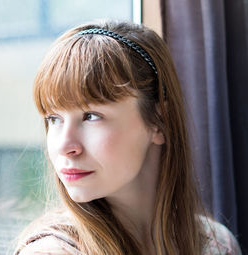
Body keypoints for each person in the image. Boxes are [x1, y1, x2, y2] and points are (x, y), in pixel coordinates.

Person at [13, 20, 242, 255]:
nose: (64, 146)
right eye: (54, 119)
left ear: (158, 121)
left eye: (91, 116)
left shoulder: (216, 245)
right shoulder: (52, 251)